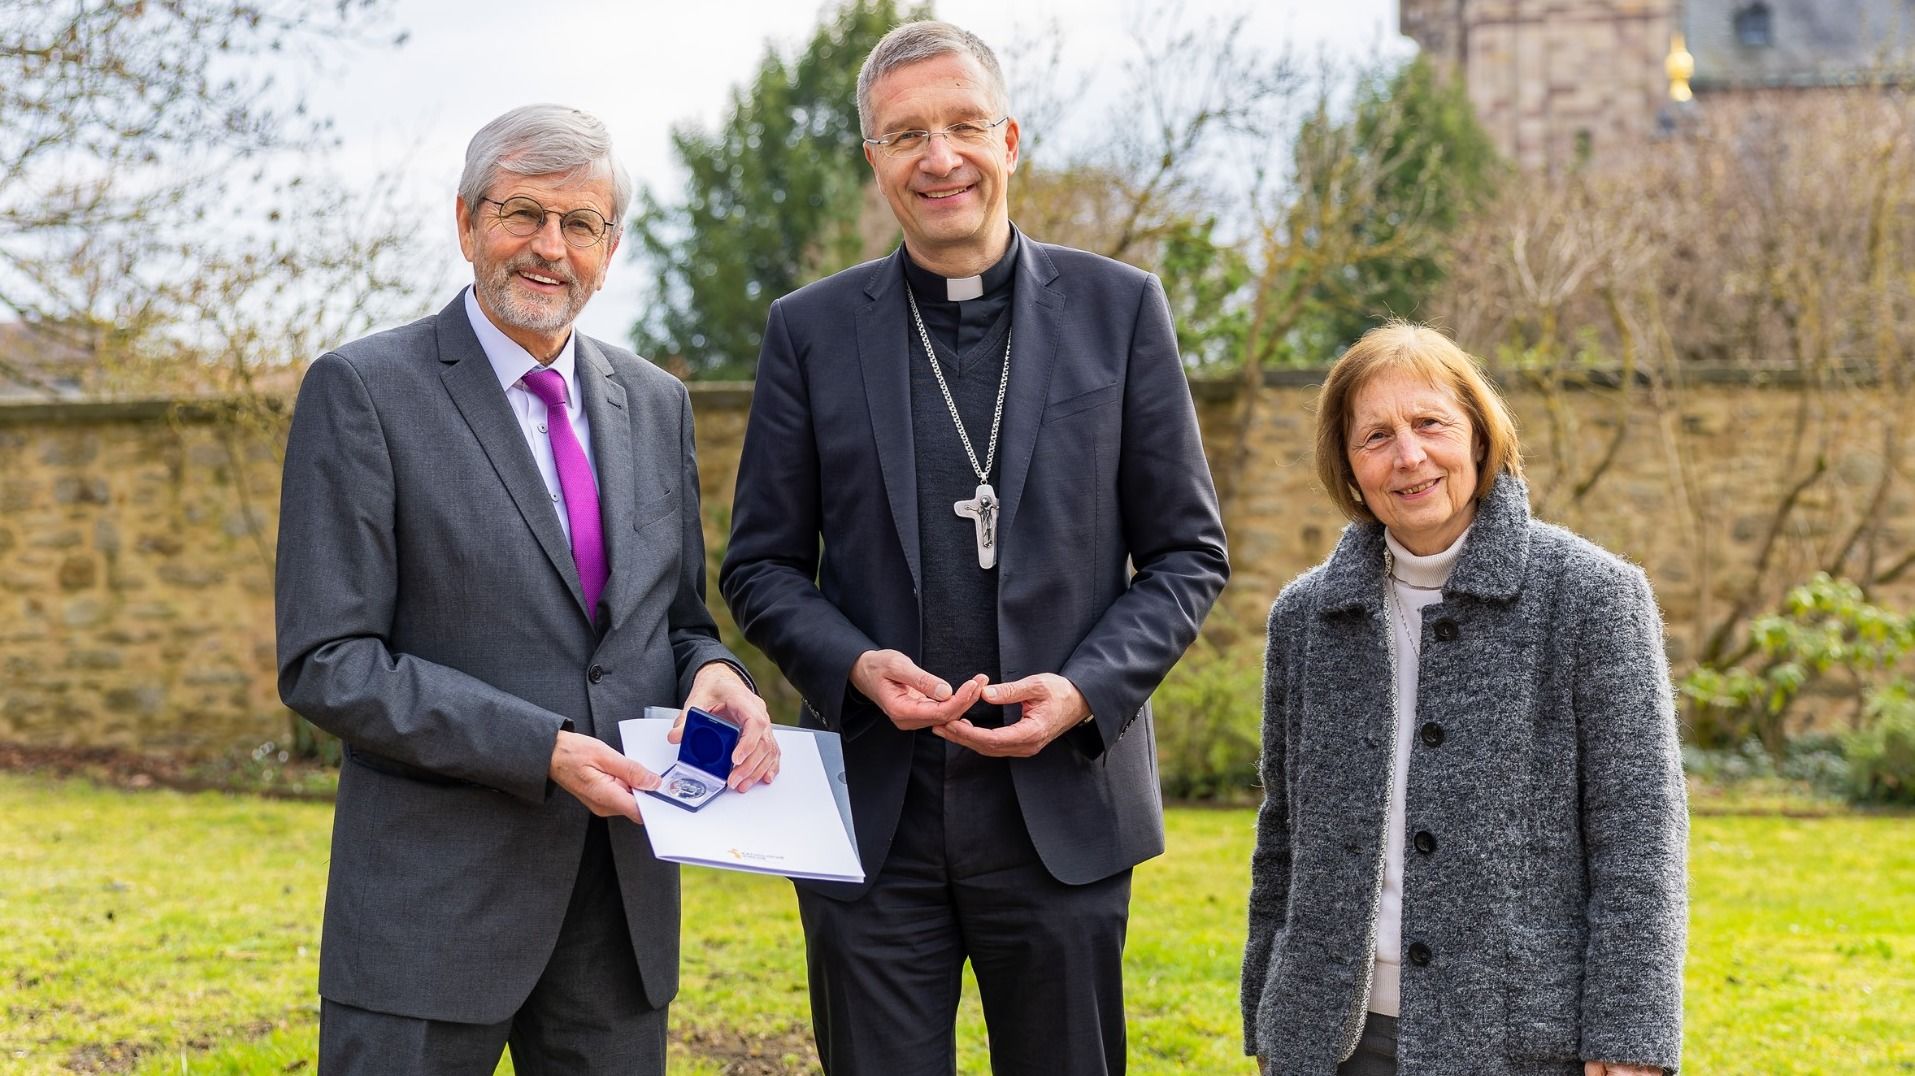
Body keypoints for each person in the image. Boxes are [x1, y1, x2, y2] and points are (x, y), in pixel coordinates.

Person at [719, 19, 1229, 1076]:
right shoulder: (807, 332)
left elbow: (1186, 553)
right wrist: (854, 663)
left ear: (1008, 139)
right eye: (905, 135)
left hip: (1061, 808)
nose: (937, 157)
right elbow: (759, 566)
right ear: (874, 161)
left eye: (960, 126)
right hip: (873, 817)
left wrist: (1085, 687)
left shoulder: (1119, 310)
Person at [275, 104, 777, 1075]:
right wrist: (537, 747)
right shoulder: (365, 391)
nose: (550, 247)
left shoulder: (656, 402)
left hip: (618, 913)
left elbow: (673, 618)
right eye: (521, 214)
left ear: (610, 246)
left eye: (580, 223)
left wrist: (715, 670)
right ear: (466, 222)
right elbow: (327, 660)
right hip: (432, 913)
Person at [1240, 322, 1686, 1076]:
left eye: (1429, 424)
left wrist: (1629, 1036)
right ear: (1347, 466)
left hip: (1519, 1037)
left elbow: (1640, 838)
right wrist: (1269, 1009)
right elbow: (1283, 831)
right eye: (1374, 436)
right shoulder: (1305, 615)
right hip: (1329, 1038)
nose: (1407, 456)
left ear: (1479, 436)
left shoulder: (1591, 597)